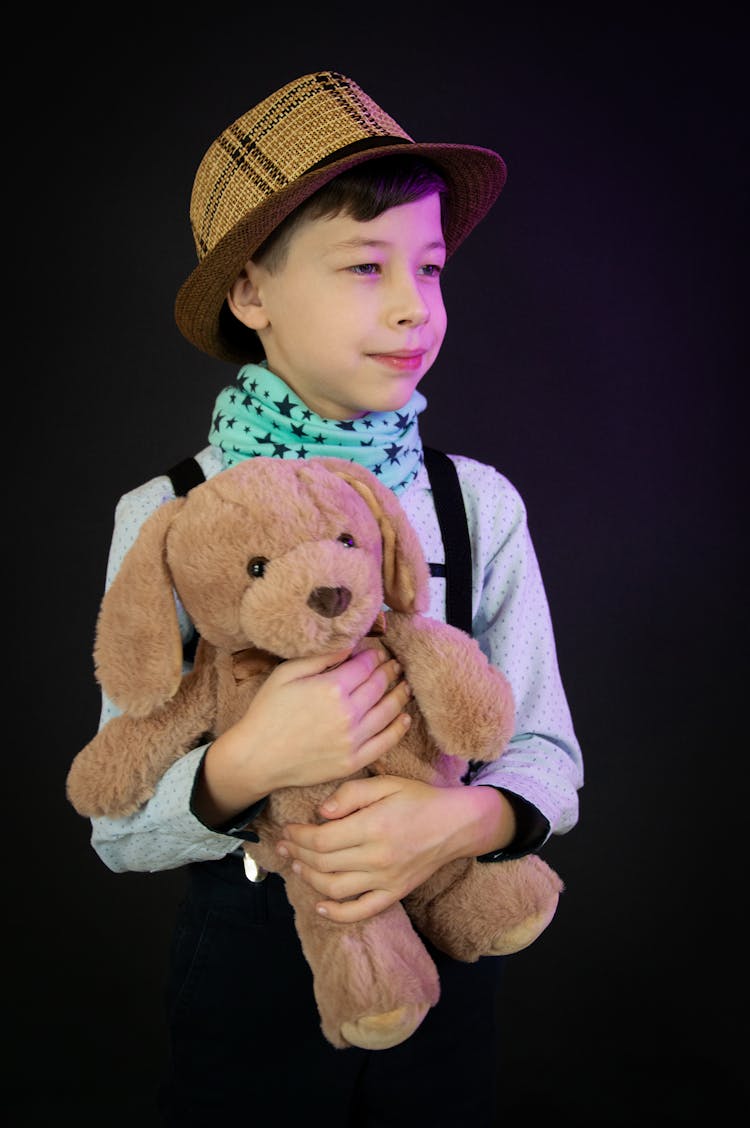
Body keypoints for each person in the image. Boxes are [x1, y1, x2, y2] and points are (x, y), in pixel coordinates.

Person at [82, 70, 583, 1126]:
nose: (414, 305)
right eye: (365, 266)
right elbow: (116, 827)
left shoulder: (474, 503)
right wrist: (249, 765)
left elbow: (546, 753)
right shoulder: (169, 514)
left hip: (449, 941)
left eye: (432, 268)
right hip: (249, 957)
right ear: (251, 293)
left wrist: (458, 819)